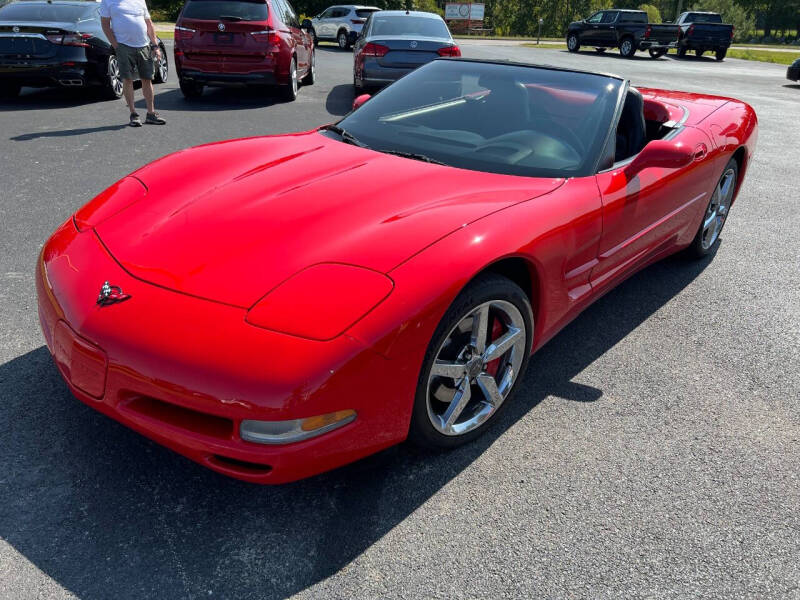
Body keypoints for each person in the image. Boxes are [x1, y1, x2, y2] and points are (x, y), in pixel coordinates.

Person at [99, 0, 166, 126]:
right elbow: (105, 25)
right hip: (123, 45)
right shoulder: (107, 2)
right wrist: (116, 45)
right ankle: (133, 114)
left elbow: (149, 24)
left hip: (144, 45)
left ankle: (151, 114)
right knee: (127, 79)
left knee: (147, 78)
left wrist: (155, 45)